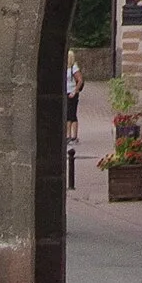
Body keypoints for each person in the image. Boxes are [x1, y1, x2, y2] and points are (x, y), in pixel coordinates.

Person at [65, 53, 84, 191]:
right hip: (66, 92)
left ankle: (73, 135)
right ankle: (68, 135)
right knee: (67, 116)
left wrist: (75, 91)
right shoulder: (67, 67)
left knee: (72, 116)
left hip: (72, 93)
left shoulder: (73, 67)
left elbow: (80, 80)